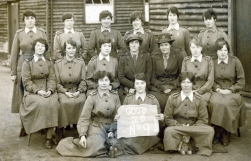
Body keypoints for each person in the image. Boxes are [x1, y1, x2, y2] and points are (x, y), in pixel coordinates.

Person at [56, 71, 121, 157]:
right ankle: (108, 146)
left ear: (110, 82)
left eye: (106, 80)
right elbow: (84, 117)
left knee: (126, 142)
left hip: (112, 126)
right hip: (97, 126)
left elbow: (119, 114)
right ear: (97, 82)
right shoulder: (92, 97)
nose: (104, 83)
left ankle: (109, 145)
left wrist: (113, 129)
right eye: (101, 80)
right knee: (94, 146)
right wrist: (82, 135)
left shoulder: (115, 96)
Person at [10, 10, 47, 137]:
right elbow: (14, 54)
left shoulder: (41, 33)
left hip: (40, 65)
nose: (30, 20)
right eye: (27, 18)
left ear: (35, 20)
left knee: (40, 94)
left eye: (32, 18)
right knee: (23, 96)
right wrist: (13, 72)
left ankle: (42, 124)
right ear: (24, 21)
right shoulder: (19, 34)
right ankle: (24, 126)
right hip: (23, 65)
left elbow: (47, 52)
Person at [20, 38, 59, 149]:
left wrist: (50, 90)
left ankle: (49, 137)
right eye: (38, 46)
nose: (40, 48)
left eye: (42, 46)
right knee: (43, 103)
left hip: (48, 90)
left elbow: (52, 78)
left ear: (45, 48)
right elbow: (26, 81)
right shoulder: (27, 63)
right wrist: (38, 91)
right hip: (32, 93)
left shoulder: (49, 62)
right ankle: (44, 132)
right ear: (34, 48)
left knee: (53, 102)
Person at [163, 72, 214, 156]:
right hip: (178, 128)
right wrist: (179, 125)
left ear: (192, 84)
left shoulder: (199, 99)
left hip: (195, 128)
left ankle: (184, 142)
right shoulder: (172, 98)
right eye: (183, 82)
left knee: (210, 131)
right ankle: (190, 142)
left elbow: (203, 119)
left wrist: (191, 128)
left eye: (188, 82)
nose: (186, 85)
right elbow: (168, 118)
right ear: (180, 84)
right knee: (169, 131)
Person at [208, 38, 245, 146]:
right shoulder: (212, 62)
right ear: (216, 51)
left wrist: (231, 89)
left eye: (225, 50)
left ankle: (225, 132)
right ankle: (218, 129)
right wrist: (218, 89)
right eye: (220, 50)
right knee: (214, 102)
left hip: (233, 91)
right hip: (217, 90)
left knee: (227, 104)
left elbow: (241, 80)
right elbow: (210, 79)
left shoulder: (235, 61)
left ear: (228, 51)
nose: (223, 53)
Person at [118, 73, 164, 154]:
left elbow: (158, 124)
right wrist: (119, 117)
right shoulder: (128, 99)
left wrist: (161, 118)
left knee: (150, 138)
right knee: (125, 138)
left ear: (146, 84)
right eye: (137, 83)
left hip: (147, 134)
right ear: (134, 85)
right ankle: (144, 147)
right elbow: (124, 119)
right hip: (132, 133)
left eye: (142, 83)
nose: (140, 86)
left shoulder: (153, 100)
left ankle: (132, 148)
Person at [54, 39, 87, 133]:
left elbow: (83, 80)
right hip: (63, 91)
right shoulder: (58, 64)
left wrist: (79, 91)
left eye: (73, 48)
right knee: (63, 103)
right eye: (69, 48)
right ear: (65, 50)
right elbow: (56, 83)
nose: (71, 50)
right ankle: (60, 129)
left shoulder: (80, 63)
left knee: (82, 101)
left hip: (77, 90)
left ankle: (81, 130)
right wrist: (65, 92)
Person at [150, 33, 183, 112]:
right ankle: (159, 122)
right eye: (161, 45)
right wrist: (161, 87)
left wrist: (172, 86)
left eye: (166, 45)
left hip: (174, 85)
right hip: (159, 86)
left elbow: (181, 75)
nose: (164, 47)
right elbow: (152, 77)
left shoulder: (178, 56)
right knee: (156, 100)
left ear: (170, 45)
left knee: (174, 99)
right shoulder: (154, 57)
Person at [118, 33, 152, 103]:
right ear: (128, 45)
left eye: (136, 42)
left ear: (139, 44)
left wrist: (140, 87)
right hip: (127, 88)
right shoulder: (123, 58)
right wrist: (133, 86)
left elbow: (148, 74)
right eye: (131, 43)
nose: (134, 45)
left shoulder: (146, 56)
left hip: (143, 87)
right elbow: (121, 77)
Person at [181, 37, 214, 104]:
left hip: (205, 91)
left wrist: (200, 91)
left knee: (202, 102)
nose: (195, 50)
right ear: (190, 49)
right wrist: (190, 89)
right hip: (188, 90)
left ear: (201, 48)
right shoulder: (186, 61)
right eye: (193, 47)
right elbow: (183, 78)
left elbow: (210, 80)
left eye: (197, 47)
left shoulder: (208, 60)